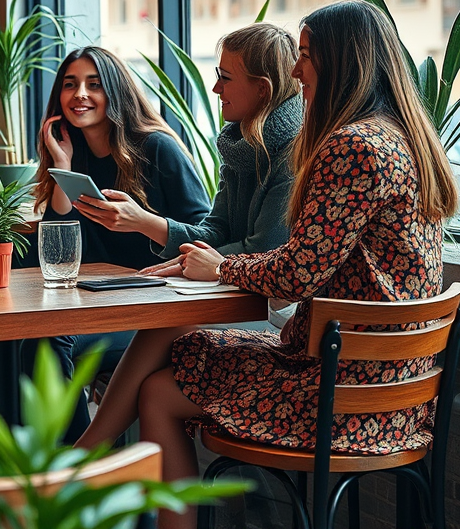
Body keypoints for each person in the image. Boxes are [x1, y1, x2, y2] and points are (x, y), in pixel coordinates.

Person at [128, 1, 459, 529]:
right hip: (399, 391)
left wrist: (221, 269)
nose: (297, 70)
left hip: (340, 395)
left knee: (159, 390)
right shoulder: (403, 138)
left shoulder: (351, 146)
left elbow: (297, 274)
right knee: (185, 344)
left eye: (305, 56)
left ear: (342, 62)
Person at [75, 23, 303, 450]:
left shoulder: (292, 151)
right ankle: (85, 461)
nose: (215, 87)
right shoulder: (240, 145)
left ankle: (82, 458)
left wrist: (197, 260)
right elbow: (216, 231)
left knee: (165, 328)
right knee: (155, 372)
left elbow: (264, 250)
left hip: (278, 316)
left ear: (264, 89)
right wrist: (147, 222)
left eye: (226, 77)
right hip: (243, 300)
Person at [22, 46, 210, 443]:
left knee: (48, 342)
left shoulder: (158, 148)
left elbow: (206, 234)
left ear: (116, 93)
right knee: (33, 339)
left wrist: (143, 223)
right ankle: (53, 466)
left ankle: (68, 474)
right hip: (99, 307)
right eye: (70, 85)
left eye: (94, 84)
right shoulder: (74, 155)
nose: (80, 95)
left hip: (154, 316)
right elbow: (58, 251)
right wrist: (63, 169)